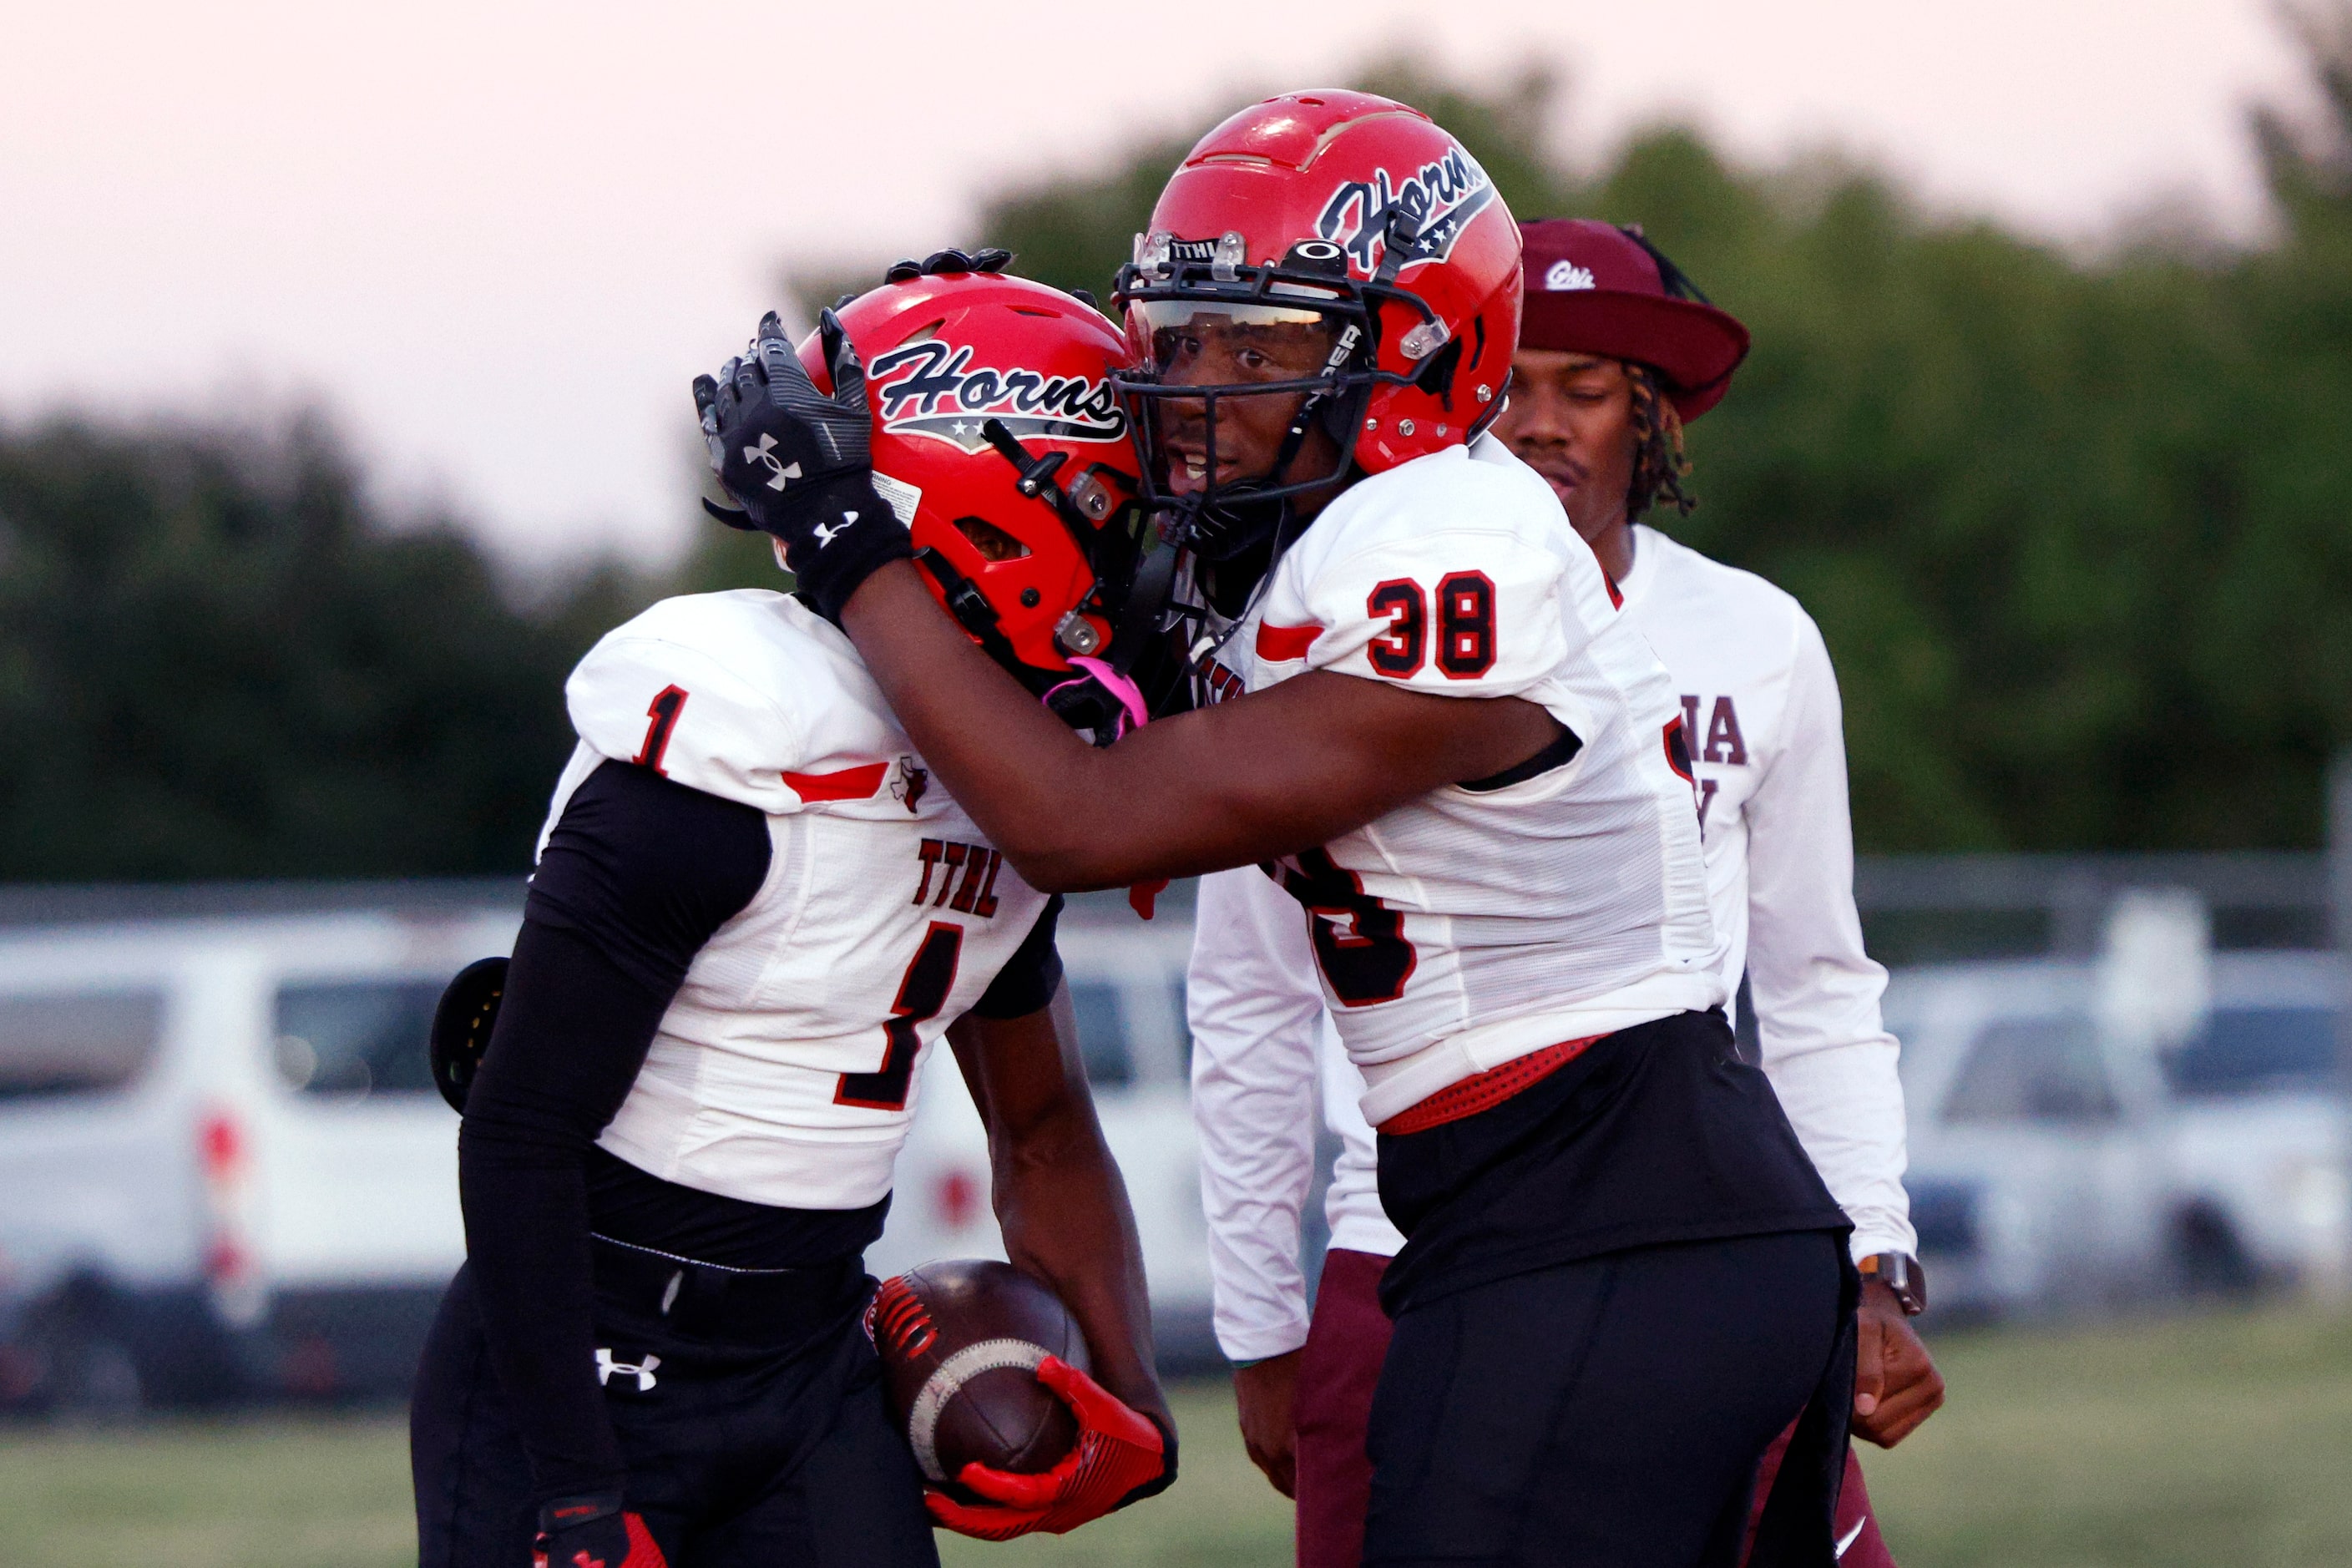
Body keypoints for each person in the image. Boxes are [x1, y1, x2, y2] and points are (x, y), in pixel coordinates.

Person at [701, 90, 1859, 1565]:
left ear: (1411, 359)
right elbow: (1079, 679)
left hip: (1614, 1221)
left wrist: (847, 541)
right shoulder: (1322, 538)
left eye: (1260, 344)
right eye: (1177, 335)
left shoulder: (1456, 552)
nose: (1197, 384)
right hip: (1560, 1217)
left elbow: (1075, 820)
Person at [1189, 217, 1945, 1568]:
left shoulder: (1755, 638)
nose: (1537, 427)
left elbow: (1818, 981)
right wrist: (1261, 1320)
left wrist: (1873, 1253)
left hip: (1690, 1215)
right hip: (1406, 1229)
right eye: (1504, 390)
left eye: (1584, 389)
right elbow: (1248, 992)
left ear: (1649, 422)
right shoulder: (1328, 609)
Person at [409, 265, 1174, 1568]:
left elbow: (1040, 1129)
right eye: (1109, 506)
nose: (1140, 552)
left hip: (807, 1356)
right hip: (583, 1363)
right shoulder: (727, 746)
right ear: (987, 512)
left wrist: (1134, 1402)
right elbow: (521, 1127)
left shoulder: (1010, 769)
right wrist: (580, 1494)